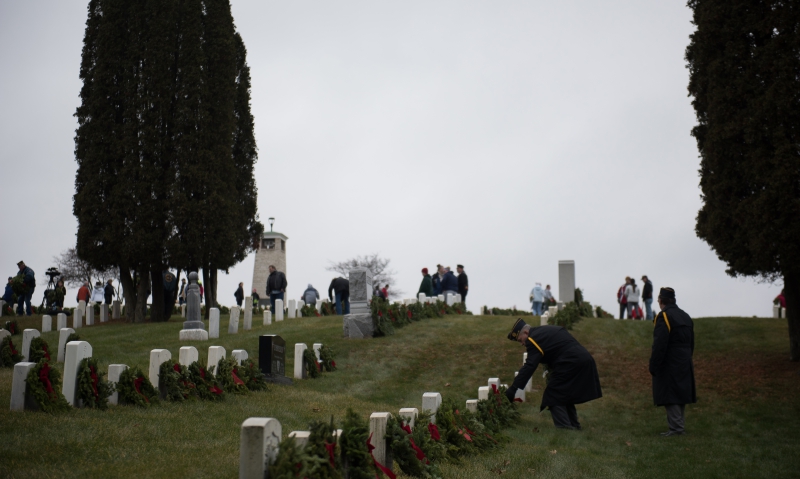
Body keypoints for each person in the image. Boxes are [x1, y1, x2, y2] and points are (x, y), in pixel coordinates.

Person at [506, 318, 603, 429]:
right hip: (581, 359)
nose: (522, 344)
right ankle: (574, 427)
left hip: (571, 362)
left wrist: (513, 388)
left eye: (520, 340)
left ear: (526, 332)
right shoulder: (543, 331)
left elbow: (530, 366)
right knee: (564, 394)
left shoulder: (533, 339)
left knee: (553, 394)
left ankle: (565, 429)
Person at [650, 287, 696, 436]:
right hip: (684, 358)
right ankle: (678, 426)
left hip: (669, 359)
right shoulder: (685, 316)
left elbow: (660, 343)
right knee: (680, 392)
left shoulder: (664, 316)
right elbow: (692, 342)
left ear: (661, 301)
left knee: (670, 393)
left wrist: (654, 363)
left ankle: (676, 429)